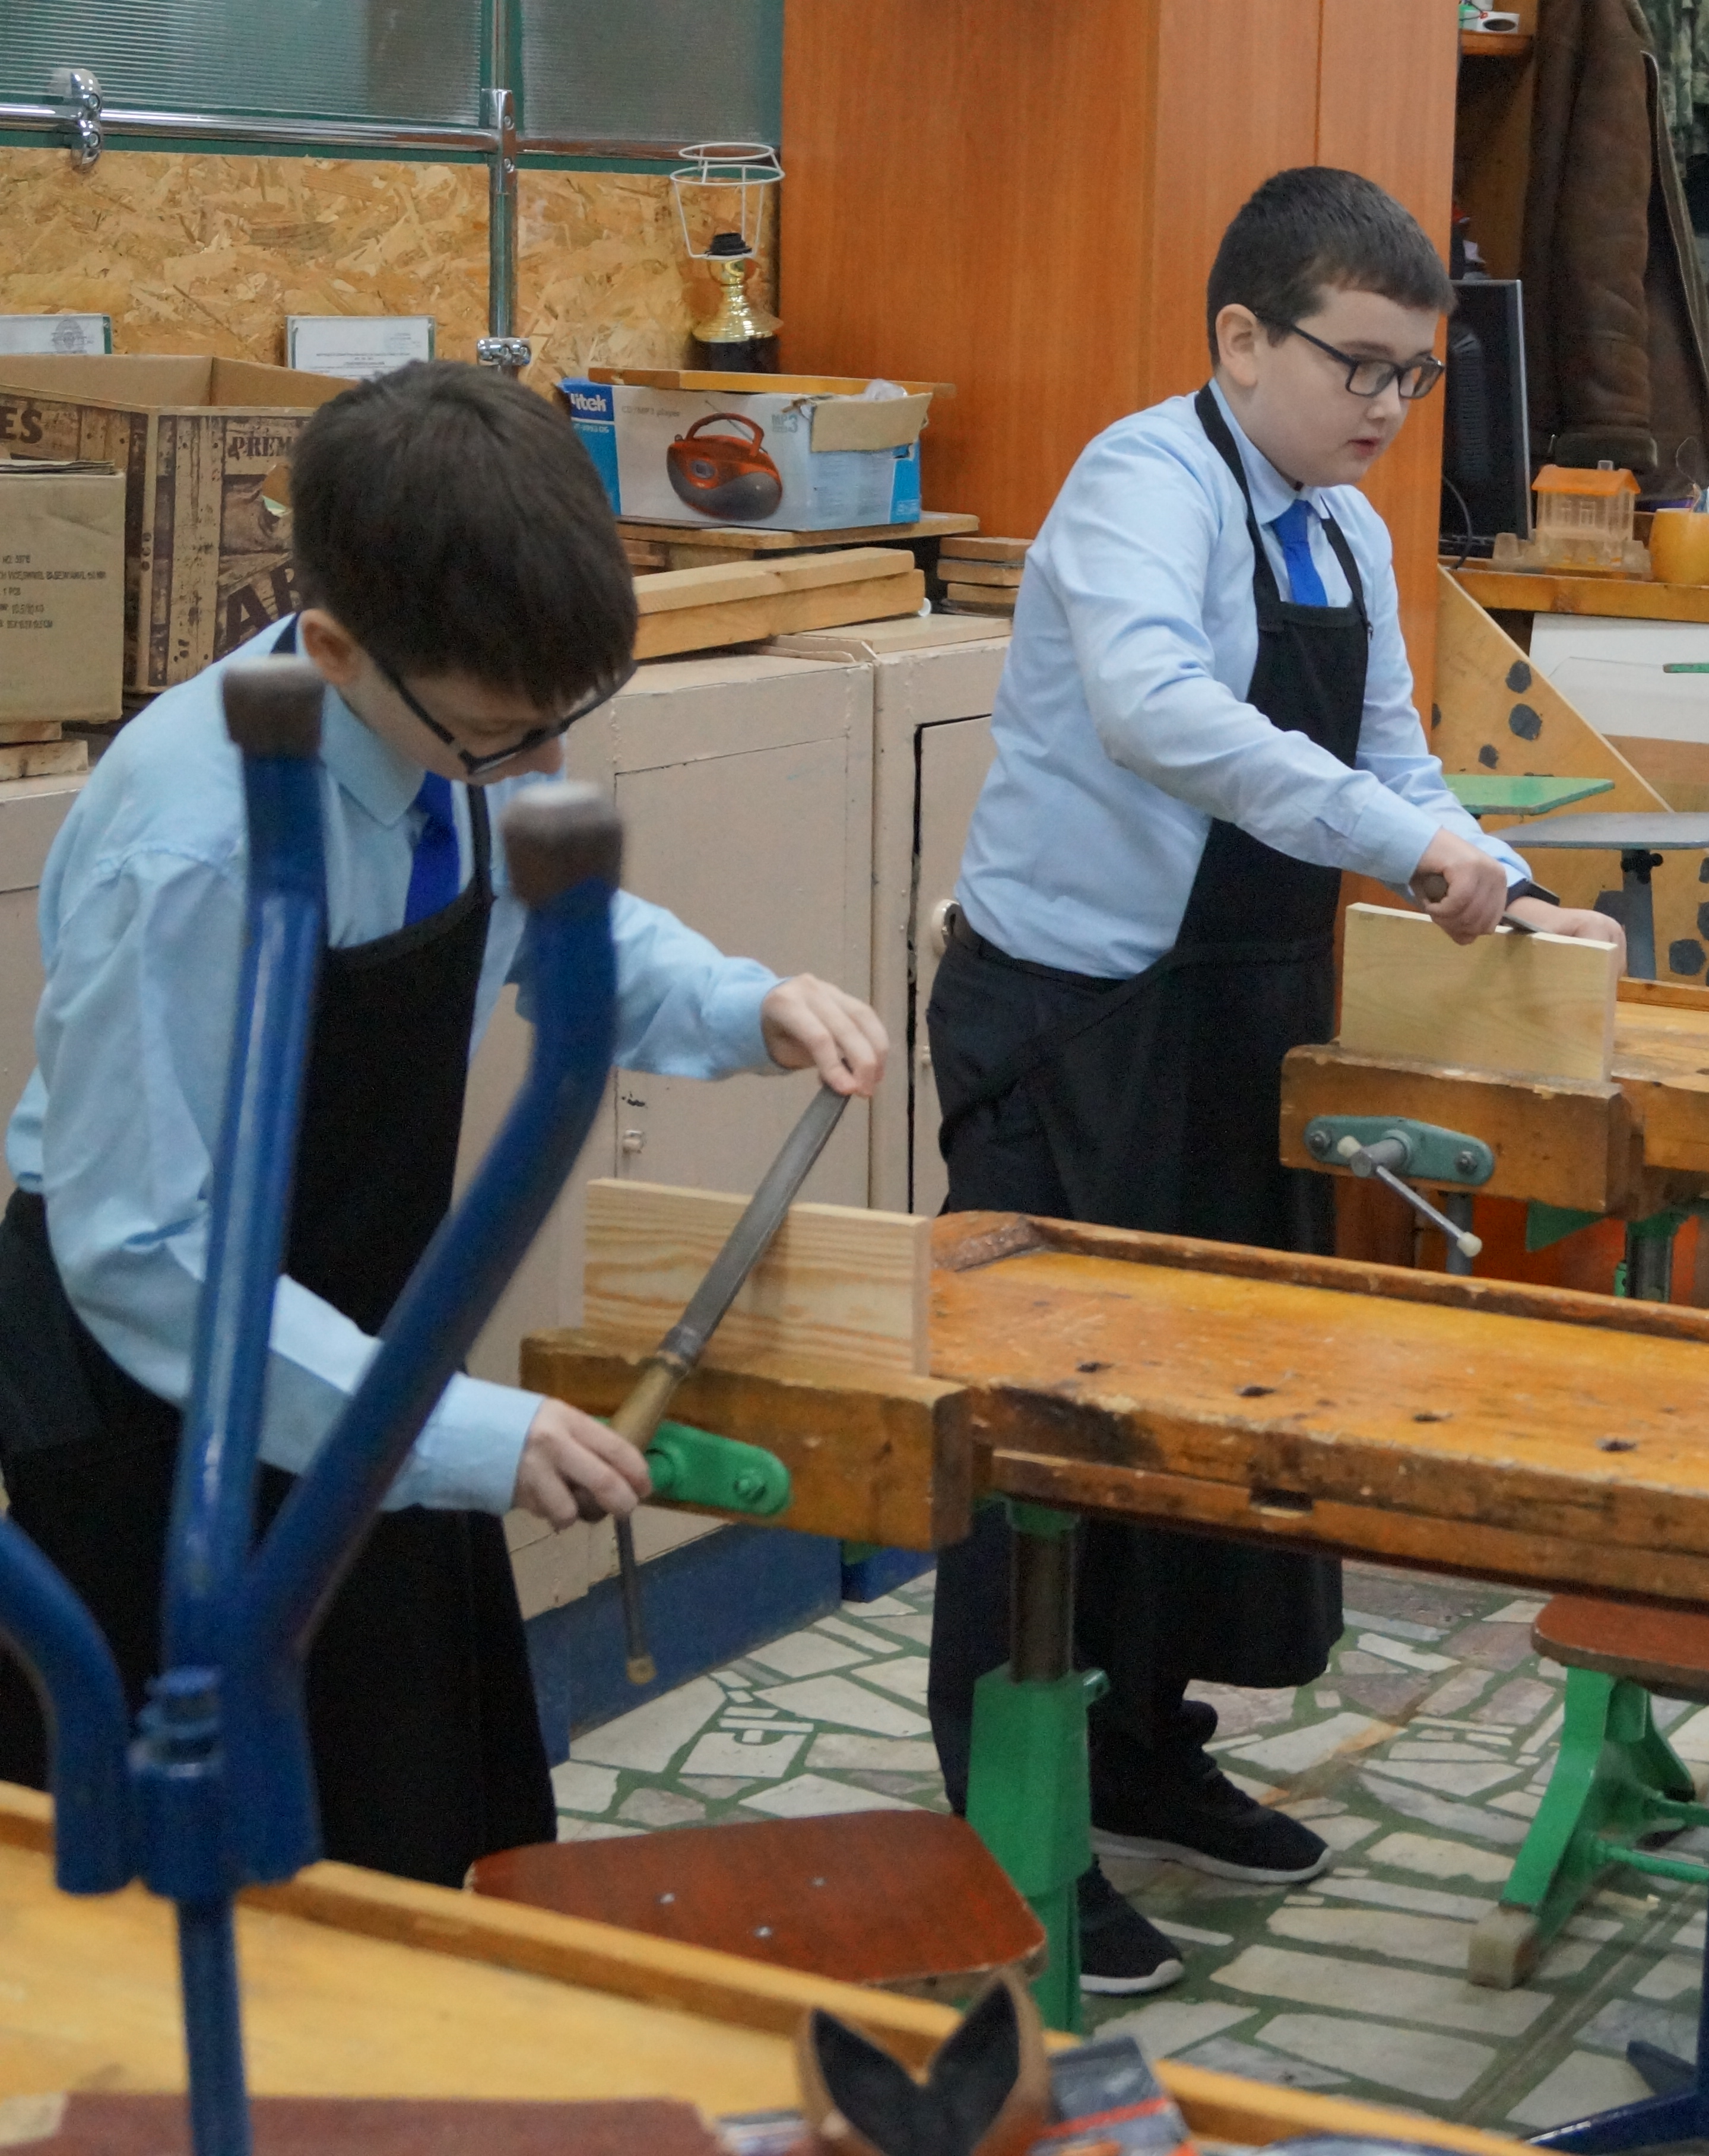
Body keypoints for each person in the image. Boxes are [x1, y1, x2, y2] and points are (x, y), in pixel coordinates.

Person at [0, 362, 886, 1887]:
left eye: (563, 722)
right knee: (227, 1875)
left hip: (364, 1350)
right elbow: (142, 1251)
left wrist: (747, 1006)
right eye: (500, 734)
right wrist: (465, 1432)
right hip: (155, 1397)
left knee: (417, 1821)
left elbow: (561, 923)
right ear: (336, 646)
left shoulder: (448, 730)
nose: (538, 765)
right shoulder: (197, 844)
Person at [917, 166, 1619, 1995]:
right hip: (1077, 1020)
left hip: (1251, 1017)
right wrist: (1406, 844)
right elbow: (1160, 711)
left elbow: (1396, 756)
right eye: (1355, 366)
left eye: (1415, 376)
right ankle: (1010, 1829)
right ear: (1242, 338)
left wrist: (1503, 879)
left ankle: (1143, 1747)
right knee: (1042, 1433)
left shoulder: (1350, 532)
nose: (1387, 407)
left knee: (1201, 1420)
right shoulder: (1142, 483)